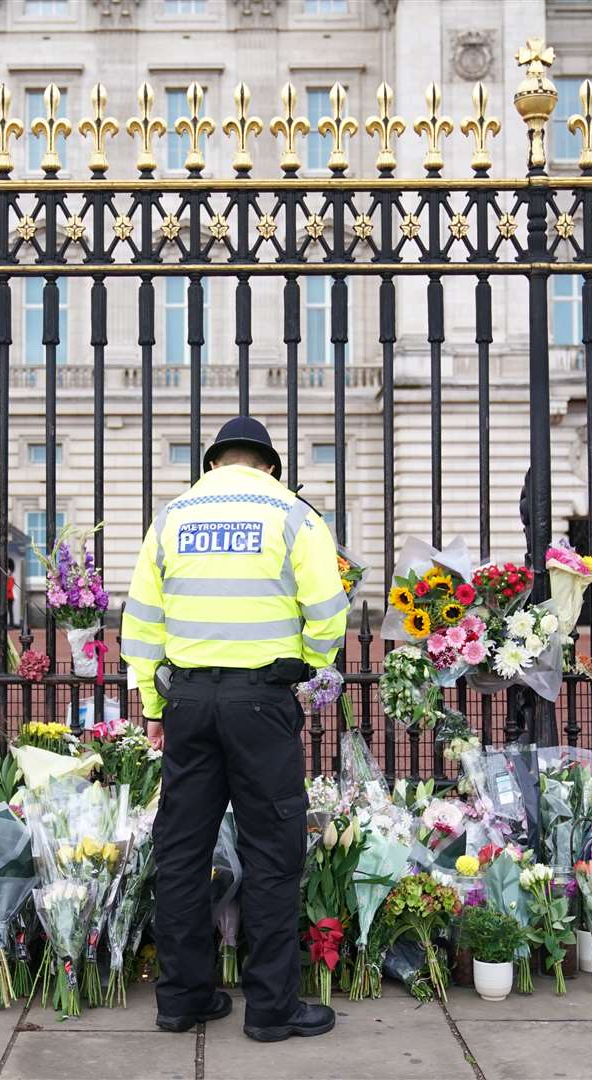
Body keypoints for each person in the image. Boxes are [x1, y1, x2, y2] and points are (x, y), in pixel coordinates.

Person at [121, 415, 349, 1043]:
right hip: (261, 700)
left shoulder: (172, 517)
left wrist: (152, 706)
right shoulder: (292, 513)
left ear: (213, 462)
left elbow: (140, 623)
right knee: (272, 851)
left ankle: (183, 999)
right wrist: (312, 668)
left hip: (187, 700)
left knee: (182, 850)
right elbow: (329, 611)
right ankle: (271, 1008)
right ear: (269, 464)